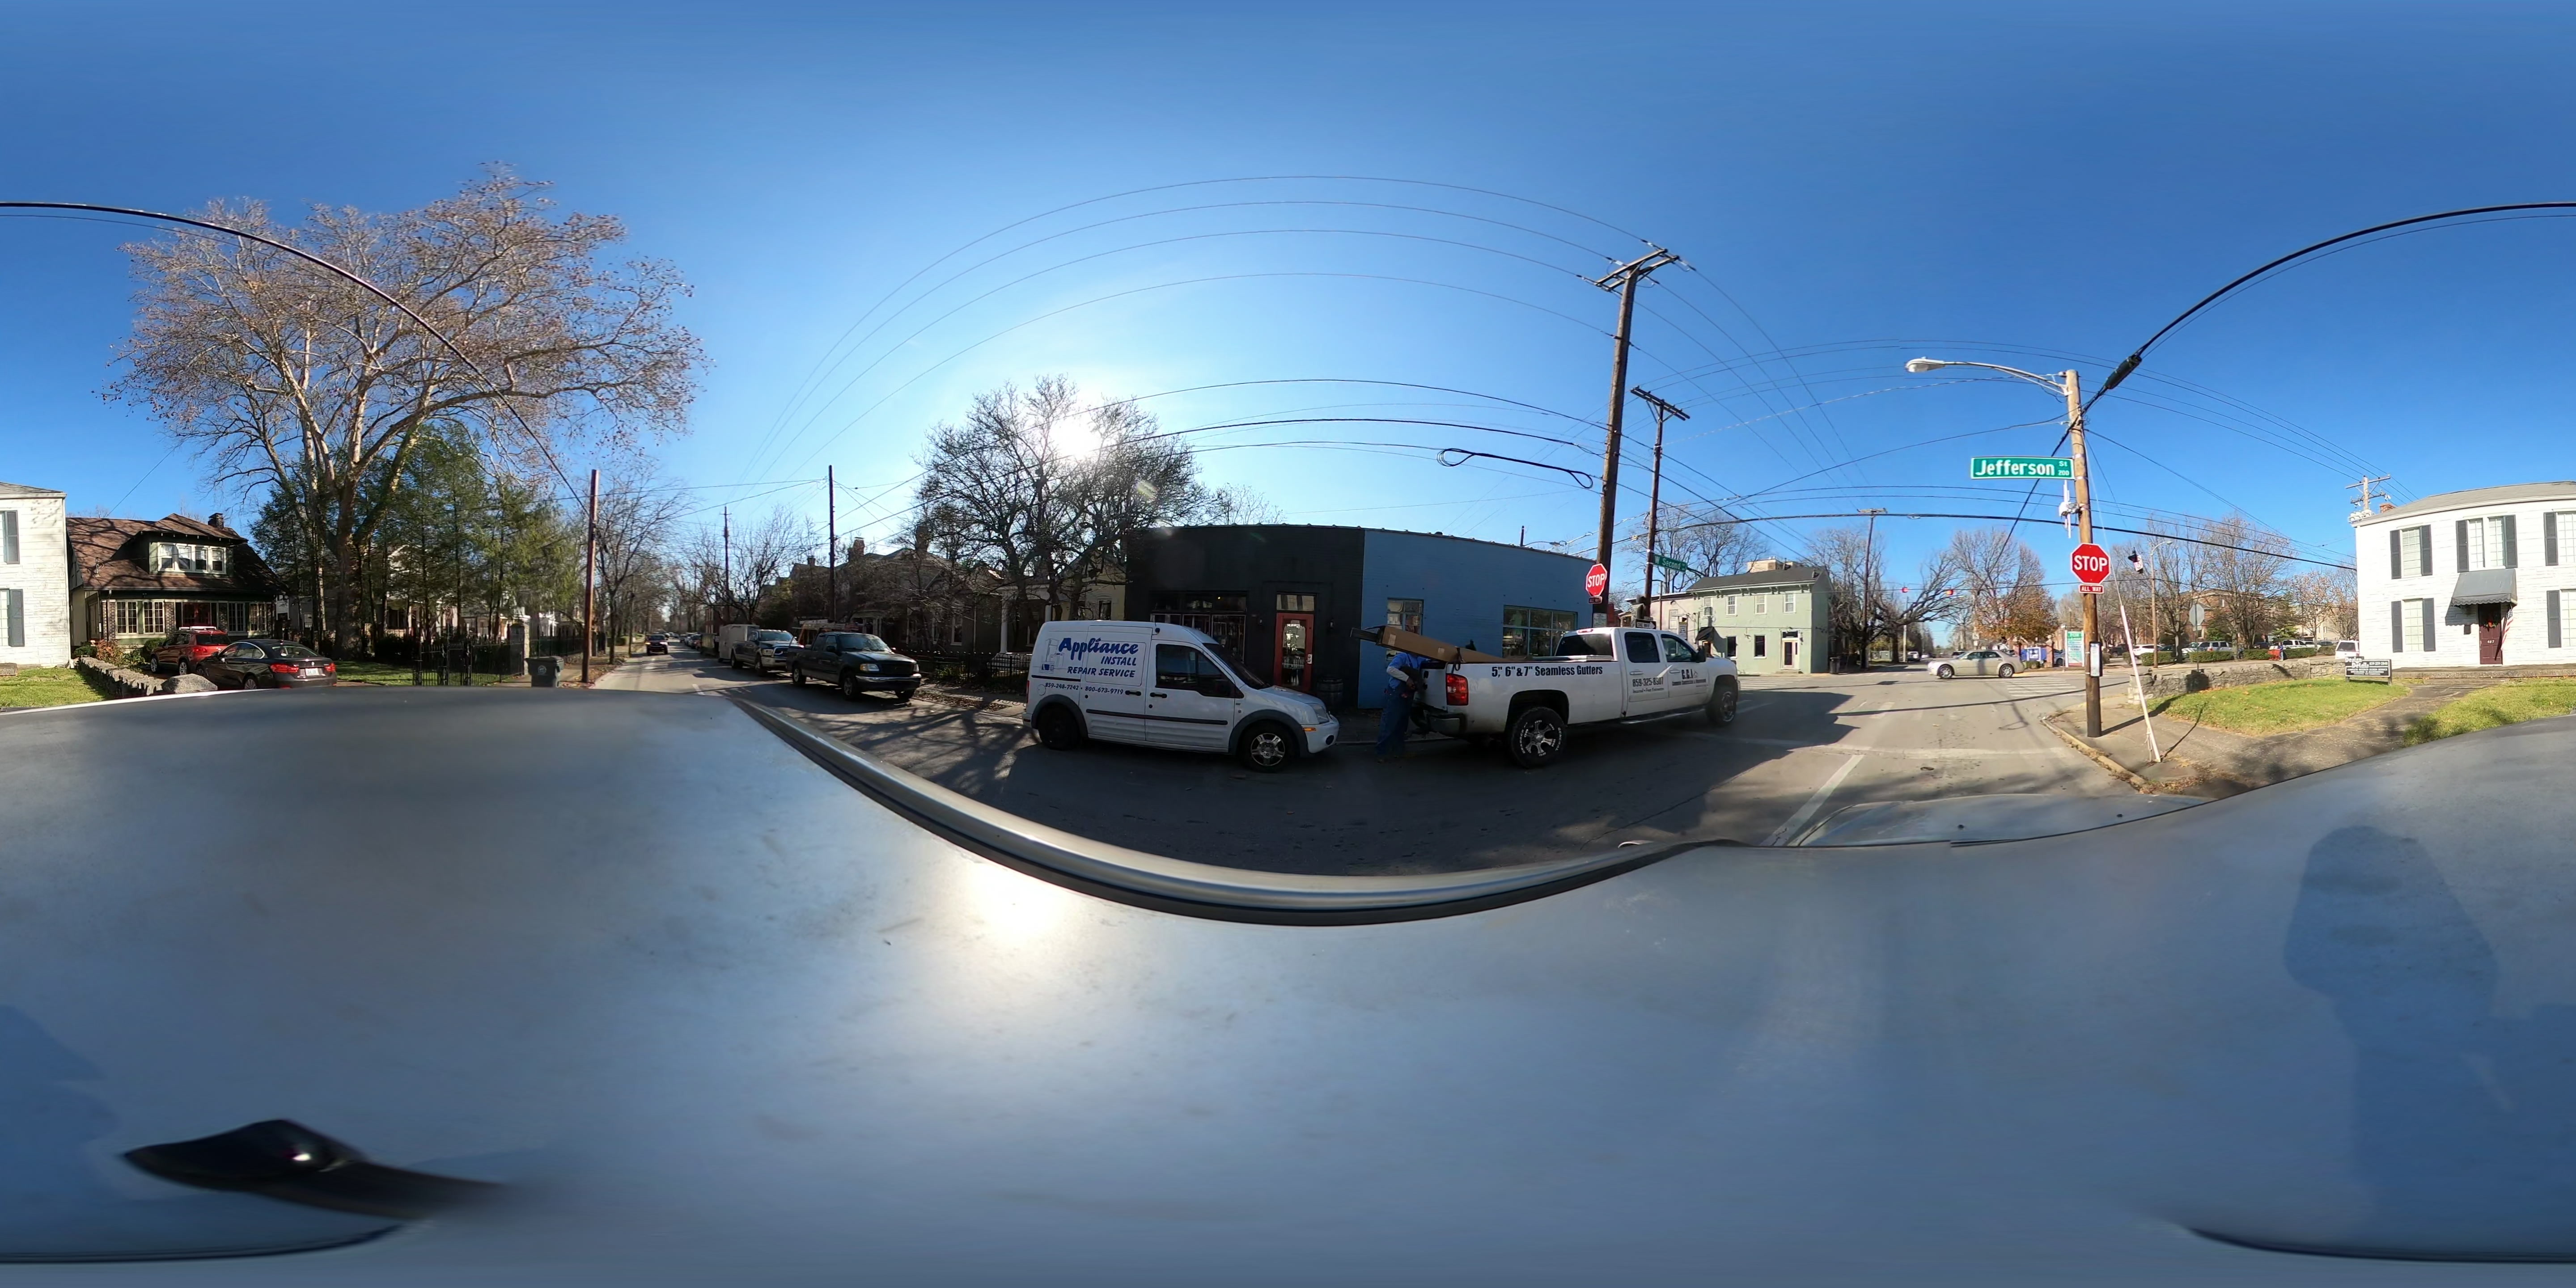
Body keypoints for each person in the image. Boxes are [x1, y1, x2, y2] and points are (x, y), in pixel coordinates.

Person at [1376, 650, 1424, 762]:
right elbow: (1391, 669)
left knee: (1402, 724)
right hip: (1395, 694)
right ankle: (1381, 753)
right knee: (1389, 723)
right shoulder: (1403, 657)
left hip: (1408, 695)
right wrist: (1407, 679)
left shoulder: (1421, 659)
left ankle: (1399, 751)